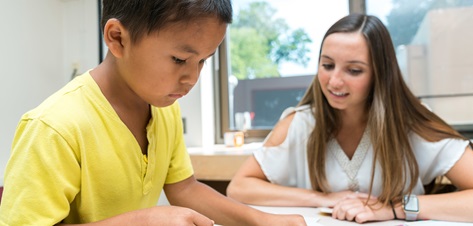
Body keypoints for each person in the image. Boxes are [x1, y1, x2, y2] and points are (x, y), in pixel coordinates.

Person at [0, 1, 307, 225]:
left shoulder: (164, 108)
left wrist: (262, 220)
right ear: (118, 38)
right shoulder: (54, 127)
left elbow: (184, 188)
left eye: (202, 61)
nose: (192, 78)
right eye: (178, 59)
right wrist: (140, 221)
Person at [227, 13, 473, 224]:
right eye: (327, 65)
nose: (334, 81)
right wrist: (323, 199)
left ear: (380, 74)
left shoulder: (413, 126)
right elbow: (239, 188)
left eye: (354, 70)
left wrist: (395, 208)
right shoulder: (299, 124)